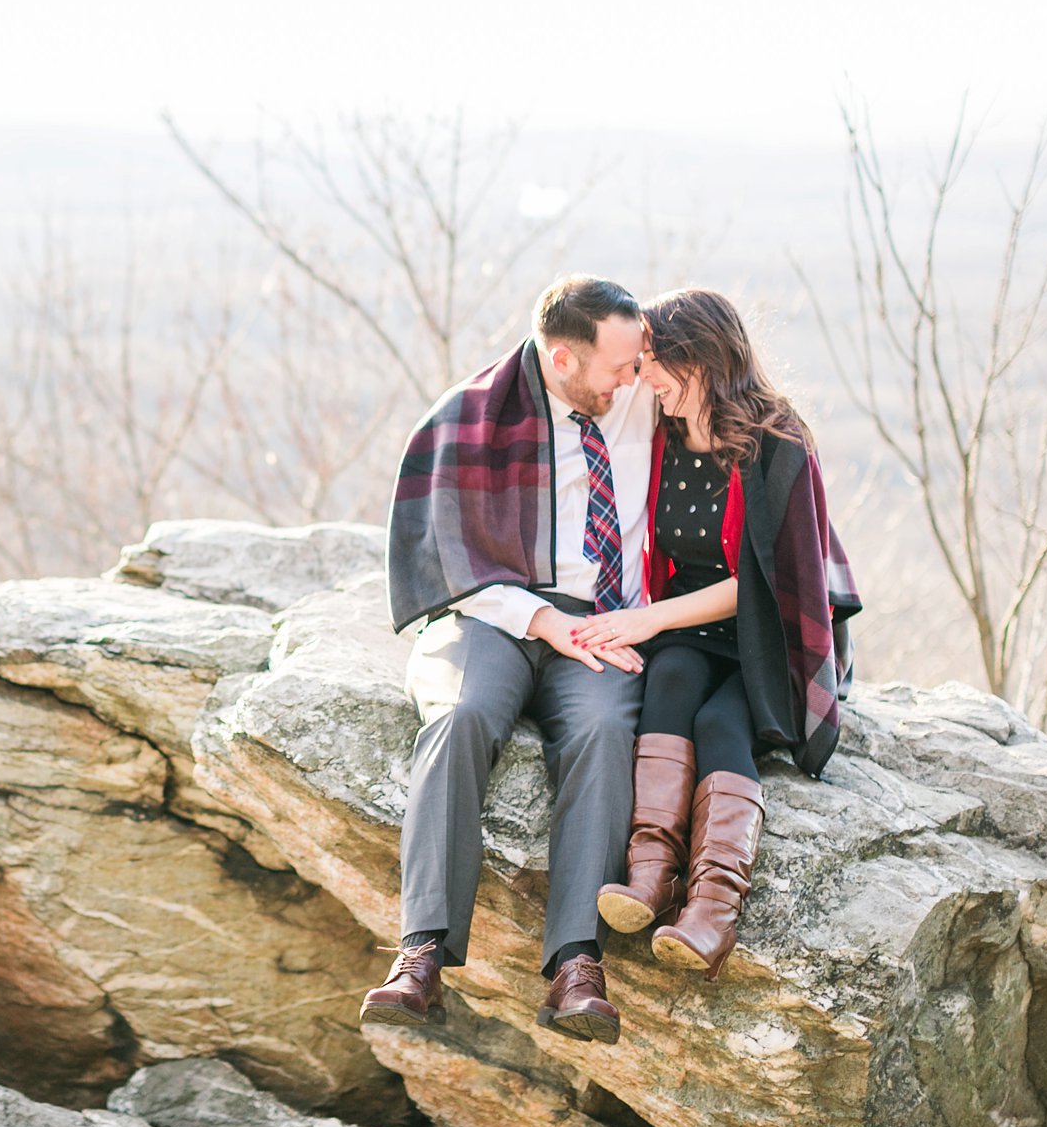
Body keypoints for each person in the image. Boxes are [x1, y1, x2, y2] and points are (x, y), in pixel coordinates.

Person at [363, 274, 658, 1045]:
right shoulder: (469, 416)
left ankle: (575, 963)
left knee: (602, 733)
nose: (634, 379)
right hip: (493, 613)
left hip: (599, 622)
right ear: (562, 358)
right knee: (460, 715)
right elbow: (449, 560)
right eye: (619, 366)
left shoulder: (642, 397)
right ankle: (421, 952)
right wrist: (536, 619)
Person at [579, 287, 862, 981]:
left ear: (699, 358)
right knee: (668, 683)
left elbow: (767, 584)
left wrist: (647, 618)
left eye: (652, 362)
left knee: (721, 719)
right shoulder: (661, 432)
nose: (643, 378)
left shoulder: (777, 444)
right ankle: (651, 876)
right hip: (688, 630)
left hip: (767, 637)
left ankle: (712, 908)